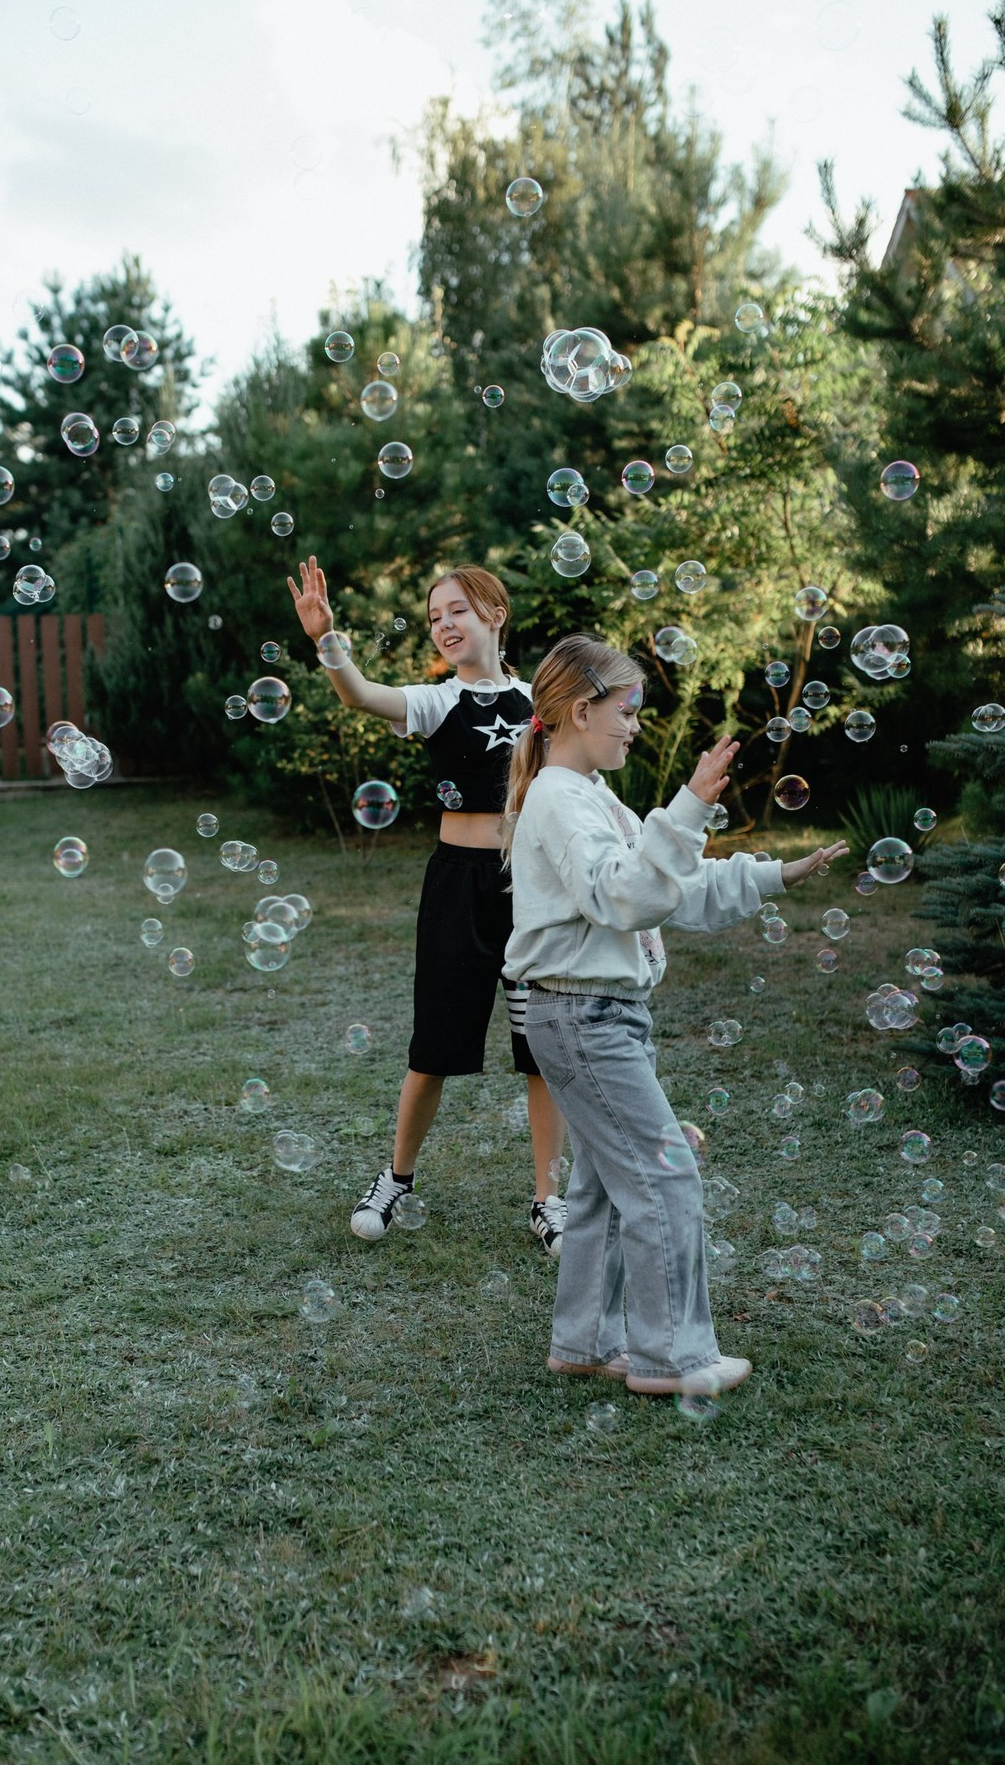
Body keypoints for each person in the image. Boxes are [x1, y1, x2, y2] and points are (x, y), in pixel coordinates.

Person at [503, 633, 848, 1397]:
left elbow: (672, 891)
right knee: (665, 1177)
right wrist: (689, 806)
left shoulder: (591, 796)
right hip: (584, 1015)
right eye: (626, 711)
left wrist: (777, 874)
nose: (635, 726)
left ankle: (585, 1341)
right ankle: (673, 1359)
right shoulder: (559, 798)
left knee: (601, 1185)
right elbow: (623, 895)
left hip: (593, 1014)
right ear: (580, 710)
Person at [286, 555, 570, 1250]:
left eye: (457, 611)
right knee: (433, 1047)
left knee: (542, 1050)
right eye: (434, 616)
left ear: (495, 615)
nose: (443, 624)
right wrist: (327, 639)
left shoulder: (541, 701)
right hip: (456, 888)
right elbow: (359, 695)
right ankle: (396, 1178)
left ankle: (549, 1199)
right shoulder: (438, 701)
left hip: (531, 887)